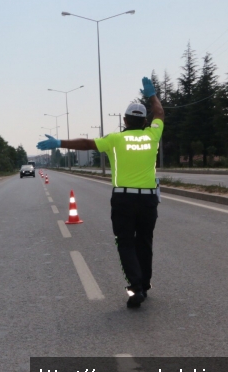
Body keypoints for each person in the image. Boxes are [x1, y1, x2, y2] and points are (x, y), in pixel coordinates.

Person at [37, 77, 164, 309]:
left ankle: (135, 287)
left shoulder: (115, 139)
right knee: (144, 242)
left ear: (124, 120)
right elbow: (160, 113)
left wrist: (59, 142)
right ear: (144, 121)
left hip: (124, 199)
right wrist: (152, 95)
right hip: (148, 199)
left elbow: (86, 144)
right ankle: (145, 284)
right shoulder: (152, 136)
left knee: (125, 242)